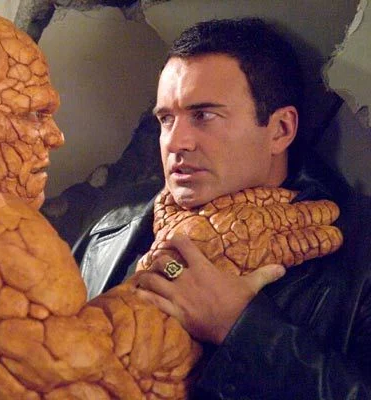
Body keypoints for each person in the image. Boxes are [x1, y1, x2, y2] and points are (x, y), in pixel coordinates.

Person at [74, 18, 371, 399]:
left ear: (280, 129)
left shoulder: (360, 255)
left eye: (203, 115)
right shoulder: (109, 236)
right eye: (166, 119)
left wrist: (240, 327)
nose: (176, 142)